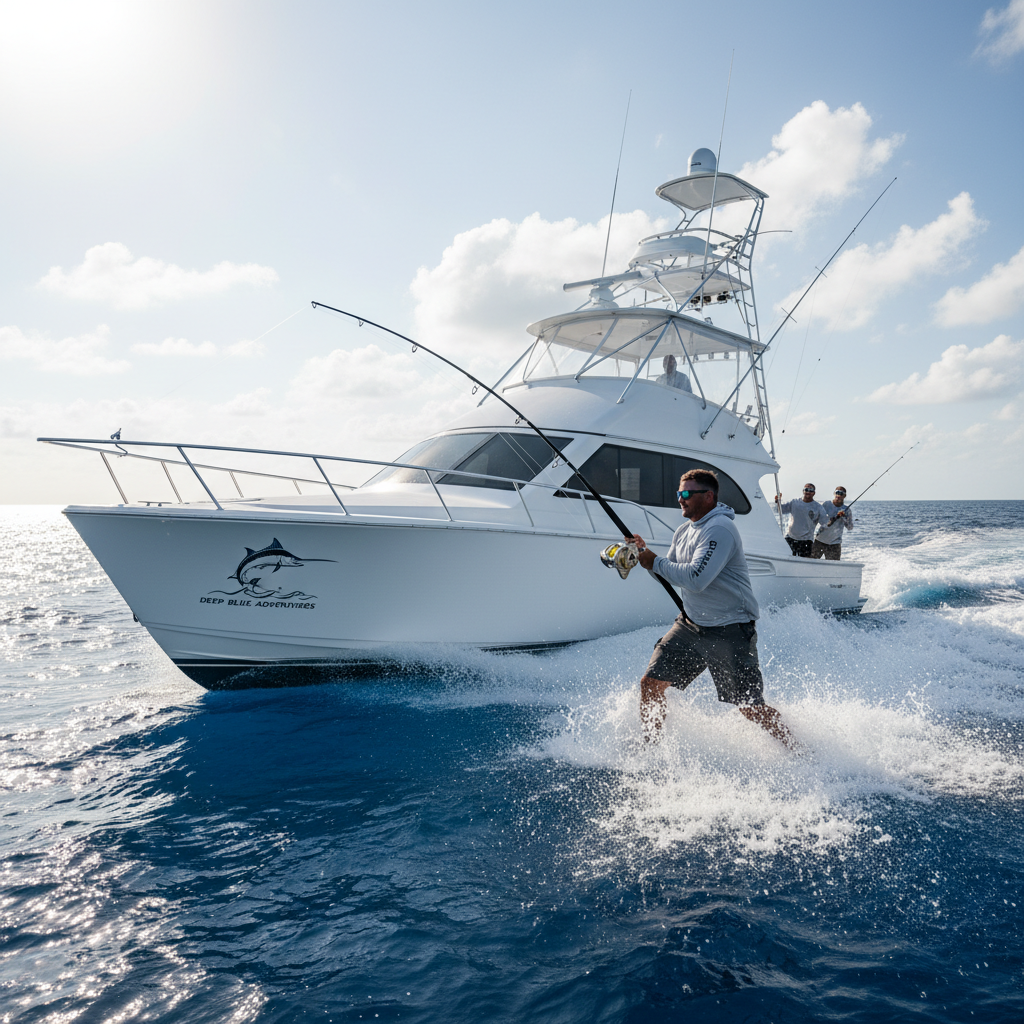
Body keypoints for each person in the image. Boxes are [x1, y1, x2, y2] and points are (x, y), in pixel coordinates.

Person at [631, 469, 796, 750]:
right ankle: (650, 752)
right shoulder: (684, 530)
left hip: (730, 629)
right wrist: (644, 557)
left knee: (750, 708)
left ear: (708, 497)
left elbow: (696, 579)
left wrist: (655, 562)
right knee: (651, 684)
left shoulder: (719, 529)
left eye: (686, 494)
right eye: (678, 494)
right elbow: (668, 573)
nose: (680, 499)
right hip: (691, 625)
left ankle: (800, 752)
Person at [773, 484, 826, 557]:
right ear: (803, 491)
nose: (808, 492)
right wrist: (777, 501)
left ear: (814, 493)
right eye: (806, 490)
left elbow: (825, 523)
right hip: (790, 537)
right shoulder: (794, 502)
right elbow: (780, 510)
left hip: (806, 540)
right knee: (785, 558)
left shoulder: (818, 507)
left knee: (805, 564)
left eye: (811, 490)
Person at [812, 486, 853, 560]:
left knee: (833, 568)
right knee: (811, 563)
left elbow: (850, 527)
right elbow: (816, 519)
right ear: (834, 493)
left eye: (841, 493)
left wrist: (843, 517)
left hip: (835, 544)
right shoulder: (826, 504)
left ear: (844, 496)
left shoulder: (847, 510)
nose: (838, 495)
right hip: (820, 540)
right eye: (837, 492)